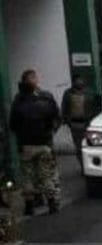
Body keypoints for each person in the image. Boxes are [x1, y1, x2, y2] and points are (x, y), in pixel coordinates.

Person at [8, 70, 62, 215]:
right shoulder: (45, 99)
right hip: (43, 143)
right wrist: (50, 132)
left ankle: (29, 206)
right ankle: (52, 203)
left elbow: (13, 124)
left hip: (26, 145)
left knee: (27, 176)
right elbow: (55, 116)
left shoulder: (18, 101)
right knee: (46, 175)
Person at [60, 77, 98, 168]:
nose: (79, 82)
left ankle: (92, 166)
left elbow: (96, 107)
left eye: (81, 81)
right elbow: (64, 108)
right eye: (77, 81)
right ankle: (83, 167)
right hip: (75, 124)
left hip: (89, 124)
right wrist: (67, 121)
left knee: (92, 146)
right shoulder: (68, 93)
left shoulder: (90, 93)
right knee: (79, 148)